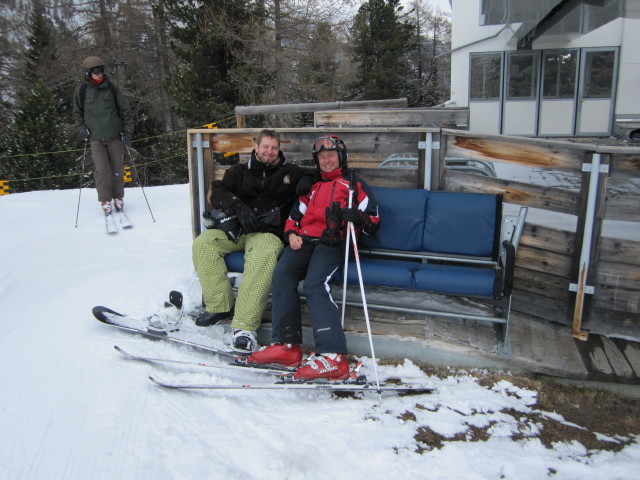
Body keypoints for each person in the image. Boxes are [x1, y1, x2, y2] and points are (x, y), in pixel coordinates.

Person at [247, 135, 380, 381]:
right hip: (305, 241)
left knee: (314, 284)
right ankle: (287, 346)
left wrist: (357, 219)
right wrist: (290, 233)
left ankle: (333, 356)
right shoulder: (312, 187)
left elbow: (373, 222)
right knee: (282, 275)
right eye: (321, 157)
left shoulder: (354, 186)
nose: (326, 160)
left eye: (331, 156)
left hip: (333, 242)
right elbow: (294, 216)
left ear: (341, 158)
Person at [191, 129, 316, 352]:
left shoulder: (289, 172)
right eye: (265, 146)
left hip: (267, 233)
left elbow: (311, 176)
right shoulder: (238, 171)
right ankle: (220, 305)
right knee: (204, 244)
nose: (270, 151)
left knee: (262, 256)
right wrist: (236, 205)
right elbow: (217, 191)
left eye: (274, 147)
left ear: (279, 150)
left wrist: (306, 180)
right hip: (237, 229)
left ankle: (244, 327)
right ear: (256, 147)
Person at [73, 56, 133, 216]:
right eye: (96, 72)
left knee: (117, 169)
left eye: (101, 71)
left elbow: (125, 110)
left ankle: (118, 197)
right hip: (95, 138)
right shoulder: (82, 91)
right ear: (88, 73)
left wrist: (128, 131)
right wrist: (82, 128)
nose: (99, 74)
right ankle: (105, 200)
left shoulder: (111, 88)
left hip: (114, 136)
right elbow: (77, 112)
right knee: (102, 171)